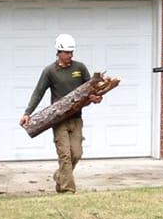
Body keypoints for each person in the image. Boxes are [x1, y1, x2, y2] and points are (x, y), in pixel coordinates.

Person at [20, 34, 102, 193]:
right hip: (59, 120)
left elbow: (90, 88)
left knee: (76, 154)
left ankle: (60, 176)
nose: (70, 55)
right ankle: (67, 190)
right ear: (58, 51)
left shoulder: (80, 68)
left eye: (72, 52)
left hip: (76, 118)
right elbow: (38, 92)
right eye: (66, 52)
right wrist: (27, 112)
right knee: (65, 155)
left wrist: (95, 97)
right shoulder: (50, 71)